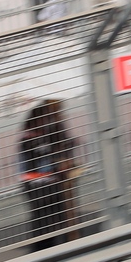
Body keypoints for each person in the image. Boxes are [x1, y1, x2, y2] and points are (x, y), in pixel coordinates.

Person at [18, 99, 79, 251]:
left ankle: (54, 252)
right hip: (41, 186)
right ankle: (44, 254)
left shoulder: (47, 134)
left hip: (47, 184)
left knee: (55, 222)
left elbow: (63, 147)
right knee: (47, 224)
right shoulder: (31, 139)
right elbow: (41, 156)